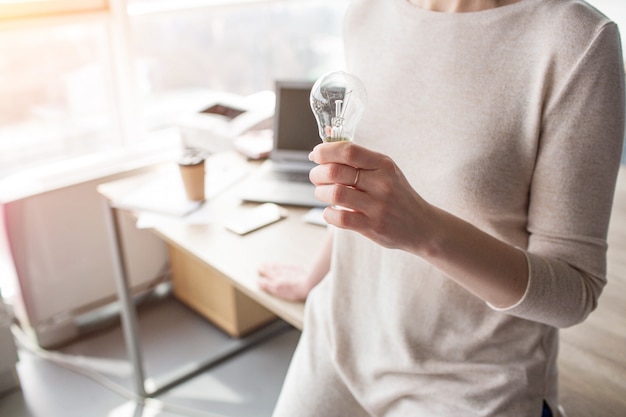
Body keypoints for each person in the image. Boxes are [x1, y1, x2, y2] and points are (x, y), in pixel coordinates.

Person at [257, 0, 625, 415]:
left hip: (471, 384)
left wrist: (426, 231)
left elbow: (573, 294)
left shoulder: (577, 40)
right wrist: (315, 277)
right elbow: (360, 182)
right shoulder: (367, 13)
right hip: (338, 344)